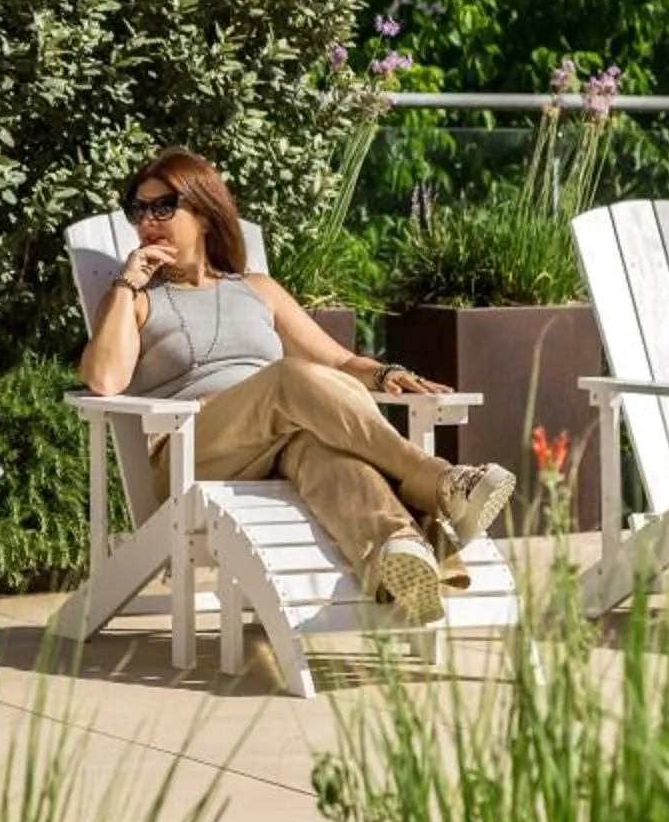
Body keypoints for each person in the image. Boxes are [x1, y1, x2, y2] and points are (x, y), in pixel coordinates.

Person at [76, 148, 514, 625]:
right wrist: (125, 285)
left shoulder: (257, 288)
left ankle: (401, 553)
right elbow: (104, 379)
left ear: (203, 214)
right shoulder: (136, 299)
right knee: (288, 377)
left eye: (163, 207)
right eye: (138, 210)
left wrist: (386, 375)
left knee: (322, 452)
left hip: (277, 441)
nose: (148, 221)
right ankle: (440, 481)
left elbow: (339, 361)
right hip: (191, 448)